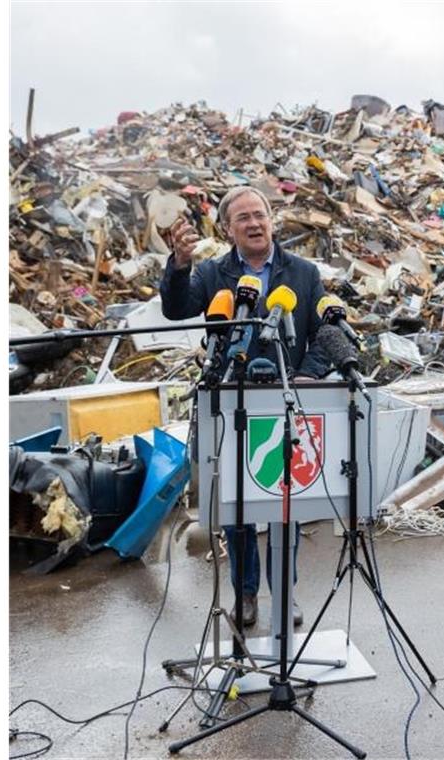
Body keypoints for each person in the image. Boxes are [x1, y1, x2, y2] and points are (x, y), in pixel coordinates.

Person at [161, 186, 329, 627]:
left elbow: (323, 336)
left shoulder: (305, 273)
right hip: (230, 403)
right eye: (243, 218)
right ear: (227, 228)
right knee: (237, 511)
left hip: (285, 402)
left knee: (283, 508)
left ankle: (284, 594)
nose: (254, 224)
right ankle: (246, 595)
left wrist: (308, 373)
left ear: (272, 219)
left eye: (260, 215)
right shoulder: (214, 273)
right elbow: (177, 308)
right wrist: (179, 265)